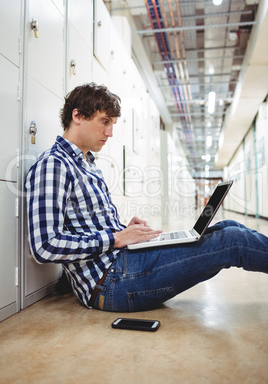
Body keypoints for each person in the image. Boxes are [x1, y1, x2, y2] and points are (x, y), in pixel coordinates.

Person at [25, 83, 268, 312]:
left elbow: (86, 227)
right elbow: (44, 247)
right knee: (233, 240)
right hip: (111, 283)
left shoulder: (86, 164)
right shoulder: (53, 166)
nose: (110, 132)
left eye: (113, 123)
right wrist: (117, 237)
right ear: (77, 116)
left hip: (120, 263)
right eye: (105, 121)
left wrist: (123, 230)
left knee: (229, 226)